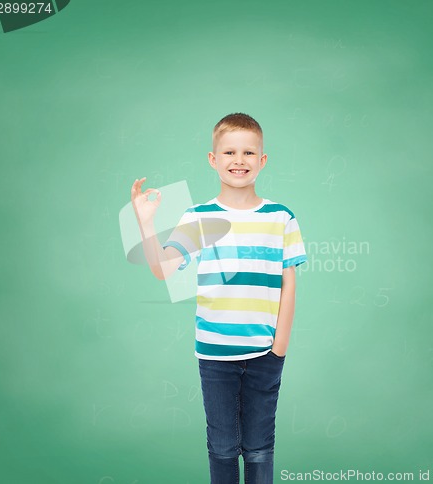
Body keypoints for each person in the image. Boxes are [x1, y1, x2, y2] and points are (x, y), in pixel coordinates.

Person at [131, 112, 307, 484]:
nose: (238, 161)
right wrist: (145, 222)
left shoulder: (281, 217)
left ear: (262, 160)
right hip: (214, 354)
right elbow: (162, 269)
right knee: (223, 448)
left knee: (259, 447)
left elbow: (288, 282)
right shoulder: (198, 217)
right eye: (229, 152)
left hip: (265, 353)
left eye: (248, 153)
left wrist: (280, 346)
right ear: (214, 160)